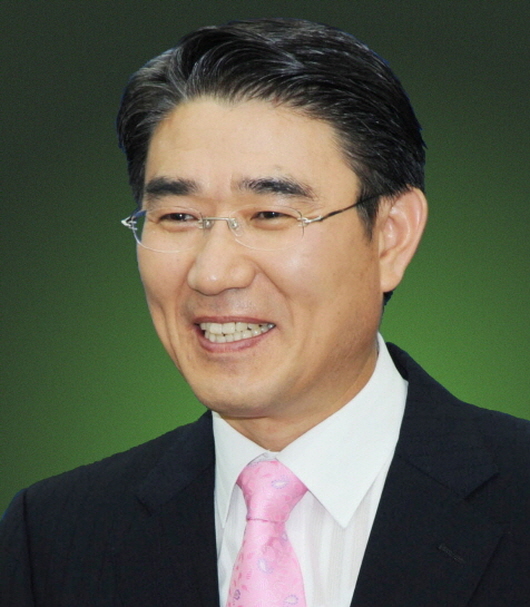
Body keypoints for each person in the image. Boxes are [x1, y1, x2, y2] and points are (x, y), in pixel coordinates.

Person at [1, 18, 529, 607]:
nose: (212, 273)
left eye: (270, 215)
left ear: (391, 236)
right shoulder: (52, 538)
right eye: (178, 217)